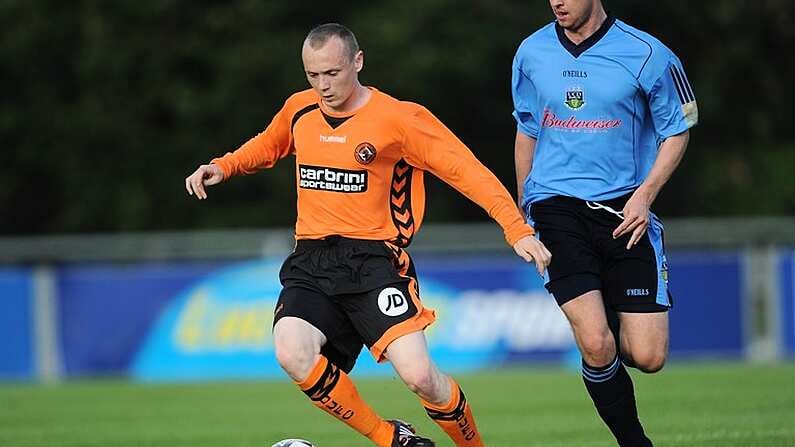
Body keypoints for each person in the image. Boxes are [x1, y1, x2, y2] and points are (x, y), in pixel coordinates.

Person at [186, 23, 551, 447]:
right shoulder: (299, 109)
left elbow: (467, 172)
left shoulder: (400, 119)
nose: (323, 86)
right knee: (291, 350)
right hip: (312, 260)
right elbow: (269, 144)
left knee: (420, 377)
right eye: (313, 75)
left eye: (332, 73)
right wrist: (223, 166)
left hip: (375, 263)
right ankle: (390, 438)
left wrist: (515, 228)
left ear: (358, 61)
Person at [511, 1, 697, 445]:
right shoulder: (531, 52)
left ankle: (602, 321)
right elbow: (527, 130)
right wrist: (523, 210)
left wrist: (644, 196)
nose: (557, 1)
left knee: (648, 356)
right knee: (595, 343)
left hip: (624, 211)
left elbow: (678, 130)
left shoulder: (649, 54)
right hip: (556, 208)